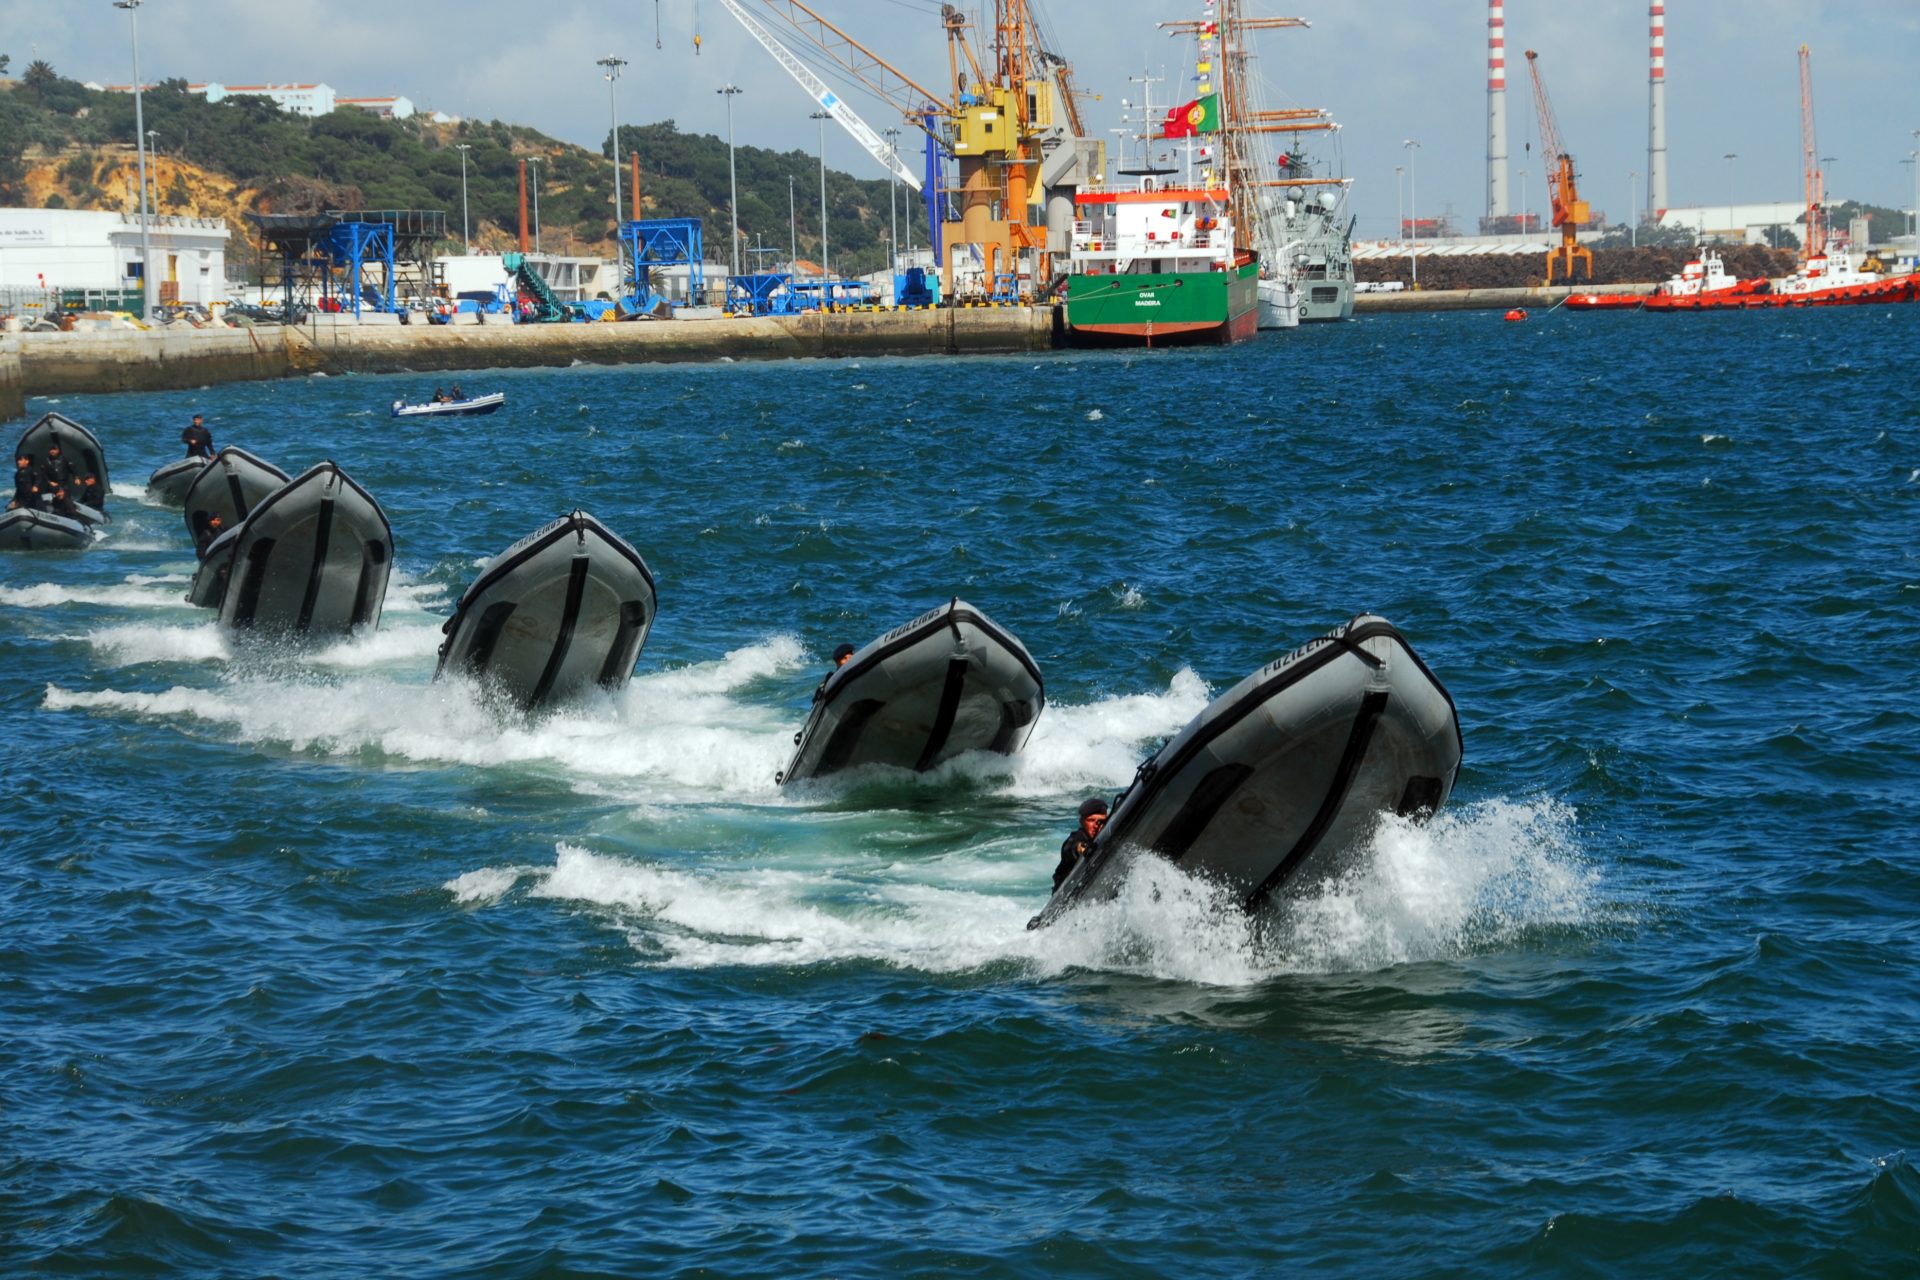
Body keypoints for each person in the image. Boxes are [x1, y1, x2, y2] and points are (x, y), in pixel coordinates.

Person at [1053, 797, 1109, 891]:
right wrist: (1084, 850)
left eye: (1100, 821)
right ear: (1082, 821)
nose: (1096, 825)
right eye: (1091, 820)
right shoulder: (1076, 838)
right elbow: (1073, 847)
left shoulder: (1105, 838)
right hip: (1066, 893)